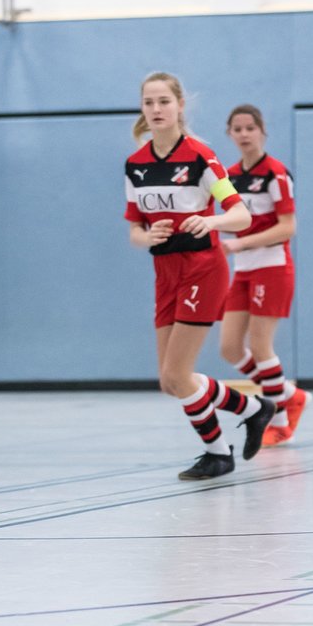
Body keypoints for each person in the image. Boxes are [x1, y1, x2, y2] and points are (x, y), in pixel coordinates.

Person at [125, 72, 276, 478]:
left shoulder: (199, 156)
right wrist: (147, 235)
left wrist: (210, 222)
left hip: (202, 269)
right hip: (165, 271)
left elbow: (241, 214)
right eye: (148, 103)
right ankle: (253, 407)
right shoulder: (135, 165)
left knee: (178, 373)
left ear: (179, 106)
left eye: (163, 102)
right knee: (169, 381)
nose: (156, 110)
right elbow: (135, 230)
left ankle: (218, 453)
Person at [218, 104, 310, 446]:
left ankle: (279, 419)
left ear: (262, 131)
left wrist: (240, 245)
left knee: (260, 345)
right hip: (242, 271)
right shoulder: (227, 177)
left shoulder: (275, 173)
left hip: (271, 267)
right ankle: (289, 394)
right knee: (229, 348)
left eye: (249, 128)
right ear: (229, 133)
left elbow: (287, 227)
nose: (244, 134)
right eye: (237, 128)